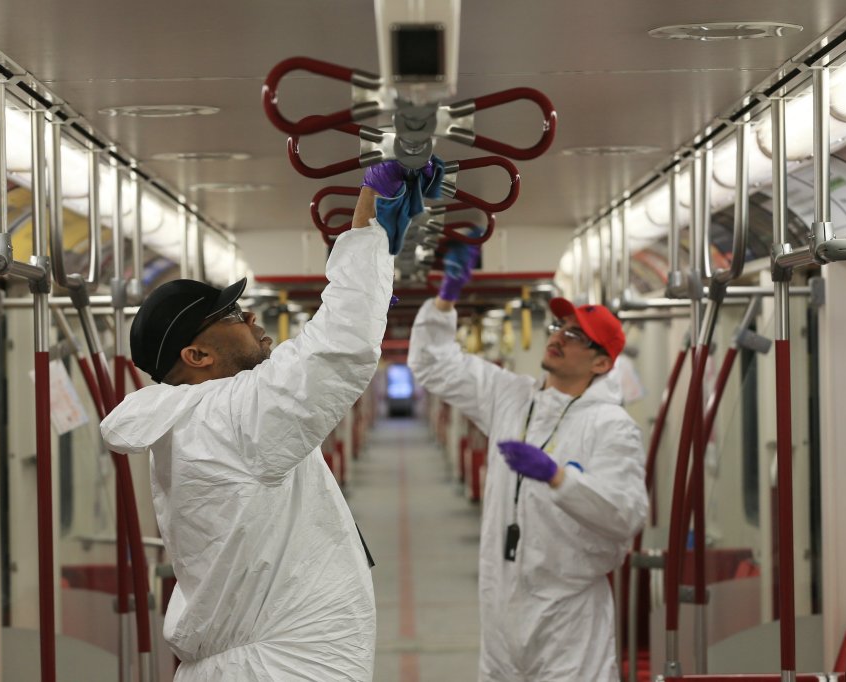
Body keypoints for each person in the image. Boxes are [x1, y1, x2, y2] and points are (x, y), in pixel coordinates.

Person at [100, 161, 426, 681]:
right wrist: (368, 225)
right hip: (275, 668)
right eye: (232, 316)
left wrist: (376, 252)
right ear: (198, 355)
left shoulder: (214, 416)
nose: (251, 318)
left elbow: (326, 350)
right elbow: (338, 348)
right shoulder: (227, 419)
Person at [407, 243, 648, 681]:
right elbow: (431, 364)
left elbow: (624, 514)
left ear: (601, 362)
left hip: (568, 617)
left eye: (574, 335)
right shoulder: (511, 396)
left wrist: (558, 479)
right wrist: (445, 300)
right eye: (558, 326)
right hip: (502, 606)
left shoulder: (611, 427)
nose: (556, 337)